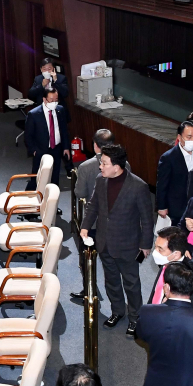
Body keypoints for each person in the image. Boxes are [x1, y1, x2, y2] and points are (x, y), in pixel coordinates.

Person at [80, 145, 154, 330]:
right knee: (111, 281)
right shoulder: (101, 180)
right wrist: (85, 226)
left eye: (104, 163)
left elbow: (147, 220)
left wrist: (145, 246)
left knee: (131, 283)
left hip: (128, 245)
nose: (100, 166)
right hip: (104, 242)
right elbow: (93, 206)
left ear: (116, 166)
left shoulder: (138, 186)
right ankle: (117, 311)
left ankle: (135, 317)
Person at [71, 129, 116, 303]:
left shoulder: (86, 167)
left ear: (95, 145)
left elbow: (80, 192)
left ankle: (89, 290)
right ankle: (116, 302)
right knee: (112, 263)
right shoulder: (124, 165)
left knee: (87, 258)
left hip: (93, 224)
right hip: (116, 224)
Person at [143, 226, 193, 316]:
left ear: (176, 254)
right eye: (155, 246)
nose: (155, 252)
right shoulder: (165, 264)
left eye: (160, 249)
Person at [156, 120, 193, 225]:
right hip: (176, 204)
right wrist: (162, 206)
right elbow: (162, 184)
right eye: (189, 137)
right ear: (179, 137)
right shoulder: (168, 157)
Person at [24, 87, 71, 191]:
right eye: (51, 100)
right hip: (41, 150)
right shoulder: (34, 114)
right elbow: (28, 135)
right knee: (37, 177)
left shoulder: (60, 110)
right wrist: (34, 150)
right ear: (44, 99)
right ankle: (30, 196)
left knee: (55, 176)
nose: (54, 102)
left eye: (56, 100)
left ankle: (52, 197)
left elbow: (64, 130)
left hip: (56, 149)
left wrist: (66, 147)